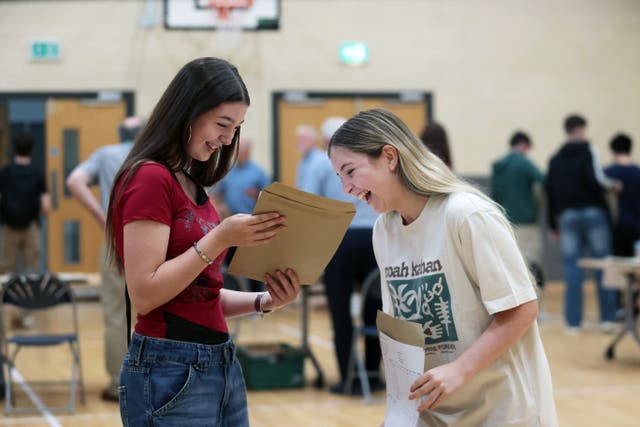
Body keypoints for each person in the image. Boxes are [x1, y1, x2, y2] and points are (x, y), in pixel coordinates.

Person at [328, 108, 557, 426]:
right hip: (434, 410)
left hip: (502, 409)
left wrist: (458, 370)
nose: (346, 188)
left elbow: (522, 310)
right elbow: (402, 335)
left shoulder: (467, 214)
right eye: (339, 177)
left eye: (350, 171)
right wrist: (398, 412)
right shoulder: (384, 230)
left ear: (390, 157)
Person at [105, 57, 301, 426]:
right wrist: (220, 236)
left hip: (219, 360)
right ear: (188, 112)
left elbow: (199, 296)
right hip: (170, 367)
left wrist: (265, 300)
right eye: (222, 124)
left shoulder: (192, 182)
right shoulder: (149, 178)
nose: (228, 139)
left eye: (236, 128)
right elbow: (145, 293)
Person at [300, 116, 382, 395]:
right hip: (375, 238)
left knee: (340, 310)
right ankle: (373, 374)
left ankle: (347, 377)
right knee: (376, 309)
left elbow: (309, 205)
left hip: (341, 240)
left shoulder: (322, 163)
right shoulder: (365, 161)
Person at [65, 116, 144, 402]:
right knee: (153, 310)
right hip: (155, 241)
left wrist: (104, 219)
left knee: (116, 313)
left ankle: (118, 384)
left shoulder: (106, 154)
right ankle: (151, 377)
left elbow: (74, 181)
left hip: (117, 239)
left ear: (119, 133)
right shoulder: (154, 154)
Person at [546, 114, 620, 334]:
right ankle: (607, 318)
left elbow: (550, 191)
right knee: (602, 265)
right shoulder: (590, 151)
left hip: (568, 216)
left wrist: (553, 224)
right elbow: (598, 179)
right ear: (581, 129)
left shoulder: (555, 159)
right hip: (594, 213)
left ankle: (573, 323)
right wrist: (612, 186)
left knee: (572, 268)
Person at [0, 133, 51, 329]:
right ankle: (26, 315)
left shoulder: (5, 173)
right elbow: (45, 205)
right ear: (31, 150)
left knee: (7, 272)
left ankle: (10, 313)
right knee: (31, 272)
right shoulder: (37, 173)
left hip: (8, 228)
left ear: (14, 150)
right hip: (30, 227)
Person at [209, 135, 271, 291]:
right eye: (237, 150)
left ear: (249, 151)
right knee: (229, 263)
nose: (239, 153)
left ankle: (256, 301)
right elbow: (216, 193)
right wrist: (219, 206)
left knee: (251, 264)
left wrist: (256, 195)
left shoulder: (259, 173)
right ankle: (234, 295)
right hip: (231, 224)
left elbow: (270, 198)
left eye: (243, 150)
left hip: (252, 224)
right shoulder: (228, 171)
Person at [490, 131, 545, 283]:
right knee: (531, 265)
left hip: (506, 223)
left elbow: (494, 196)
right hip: (527, 223)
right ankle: (535, 304)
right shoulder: (523, 163)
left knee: (512, 267)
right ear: (523, 145)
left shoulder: (498, 166)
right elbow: (543, 179)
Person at [604, 133, 640, 257]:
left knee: (620, 265)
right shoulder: (637, 172)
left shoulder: (608, 173)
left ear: (613, 151)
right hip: (637, 224)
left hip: (619, 225)